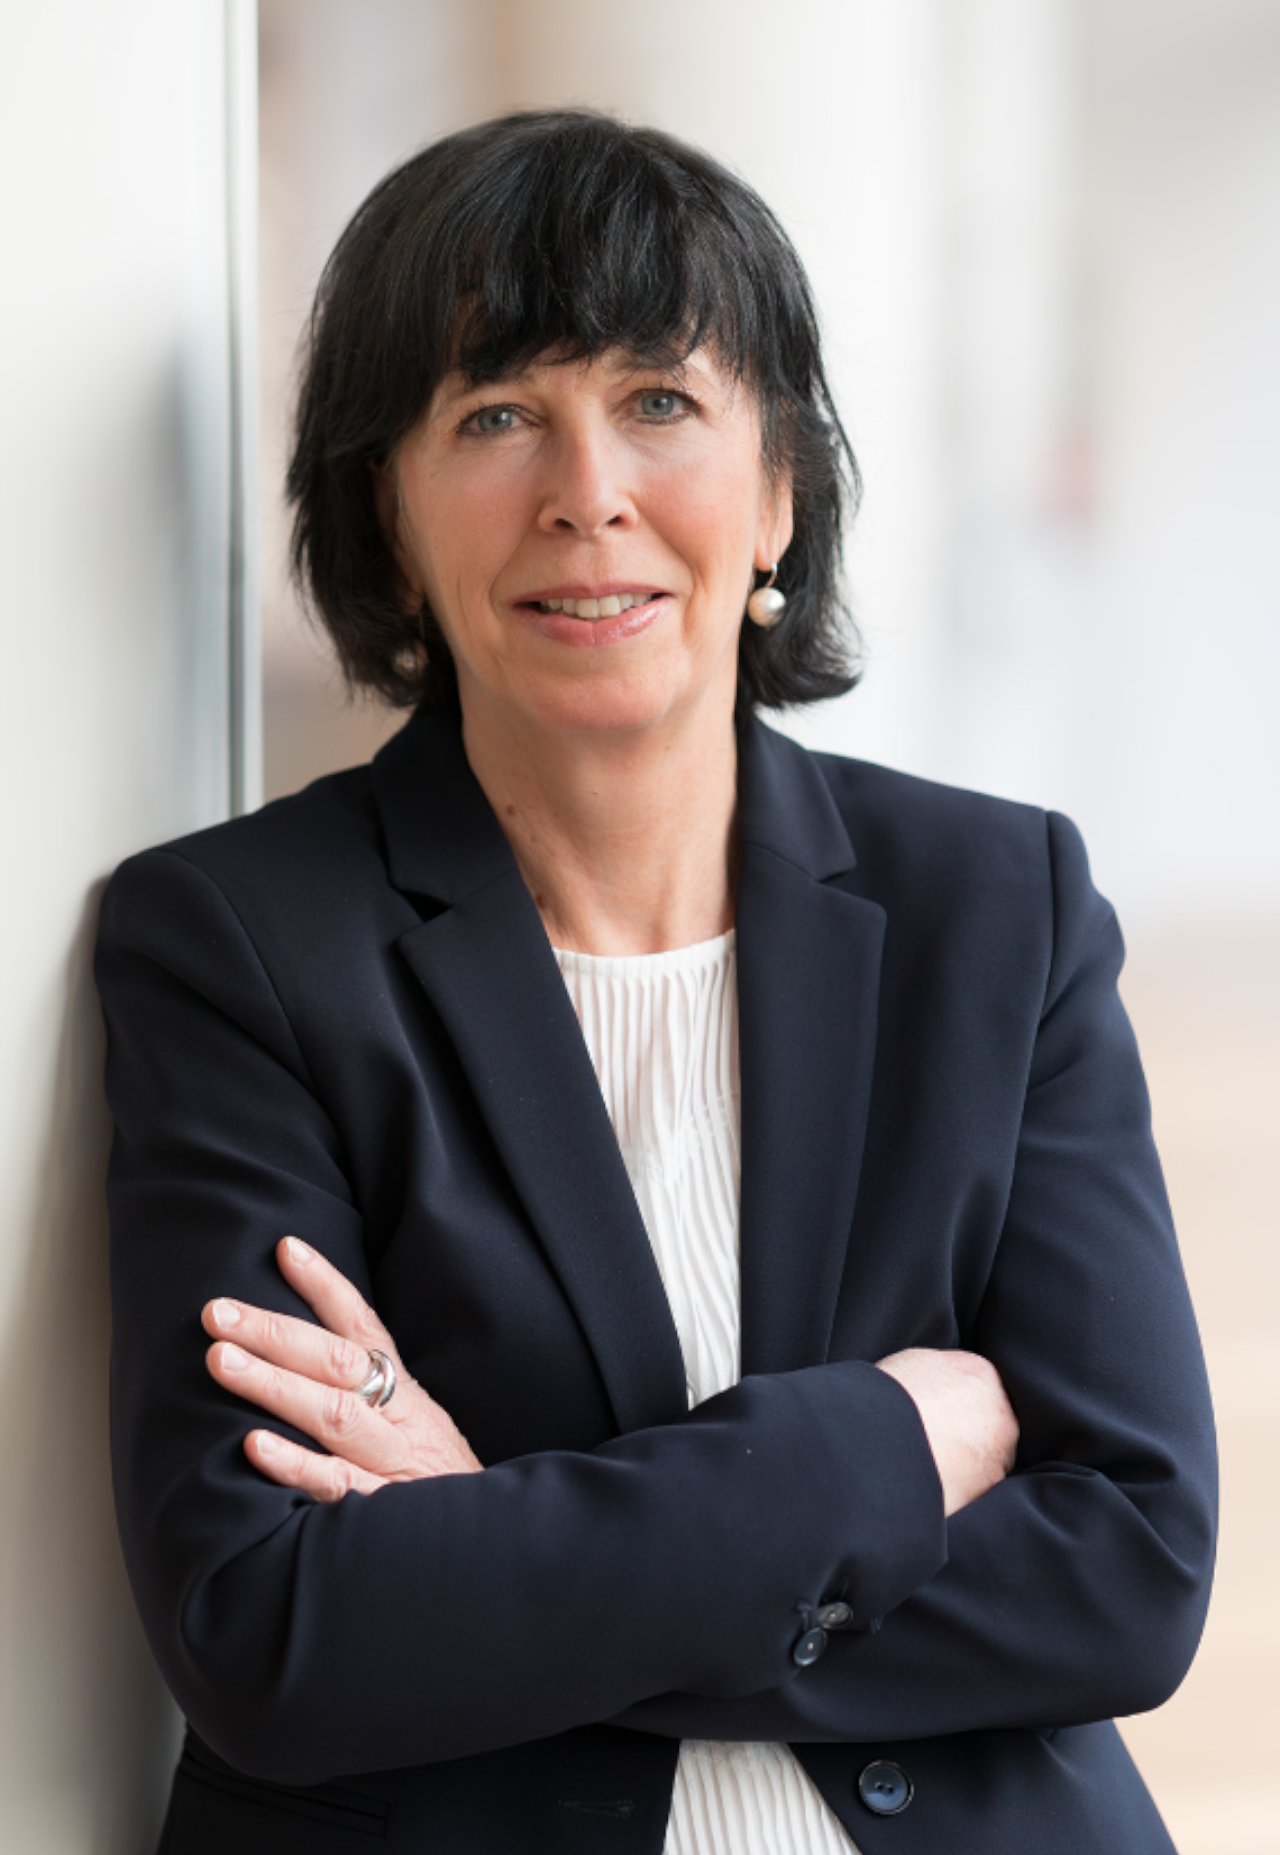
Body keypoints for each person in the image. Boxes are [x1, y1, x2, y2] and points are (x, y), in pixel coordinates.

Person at [95, 111, 1215, 1855]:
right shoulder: (238, 942)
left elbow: (1130, 1565)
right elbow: (275, 1627)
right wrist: (874, 1453)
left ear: (779, 494)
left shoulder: (1002, 908)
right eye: (494, 415)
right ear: (390, 511)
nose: (586, 491)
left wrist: (493, 1536)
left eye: (661, 401)